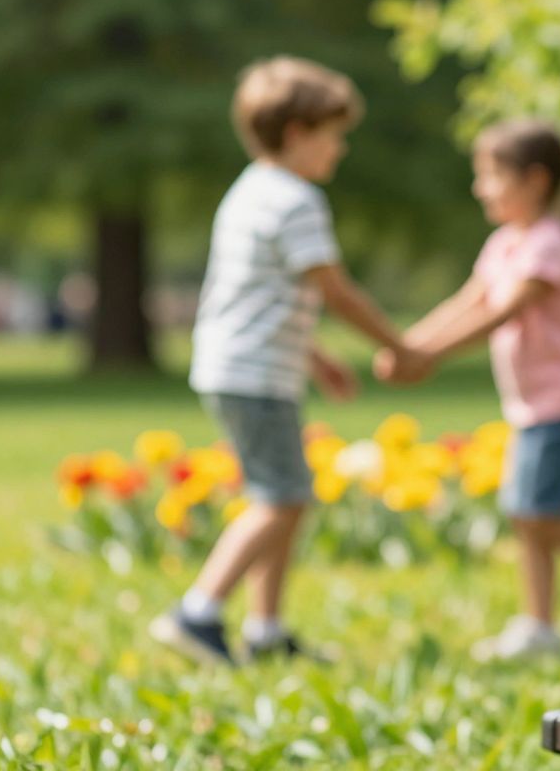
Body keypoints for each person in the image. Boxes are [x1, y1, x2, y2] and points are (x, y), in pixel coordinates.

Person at [150, 56, 426, 665]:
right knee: (282, 497)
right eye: (334, 136)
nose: (341, 150)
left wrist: (315, 355)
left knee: (279, 492)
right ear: (298, 134)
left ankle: (266, 631)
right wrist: (396, 343)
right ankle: (197, 612)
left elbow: (262, 296)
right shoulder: (296, 200)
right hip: (252, 372)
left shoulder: (249, 190)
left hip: (242, 364)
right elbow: (335, 289)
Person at [377, 118, 560, 660]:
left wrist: (428, 356)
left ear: (535, 180)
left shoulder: (548, 246)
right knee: (530, 514)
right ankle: (540, 626)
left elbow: (502, 313)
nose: (481, 188)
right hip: (535, 403)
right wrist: (406, 344)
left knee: (538, 511)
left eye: (491, 175)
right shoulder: (506, 242)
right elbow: (470, 299)